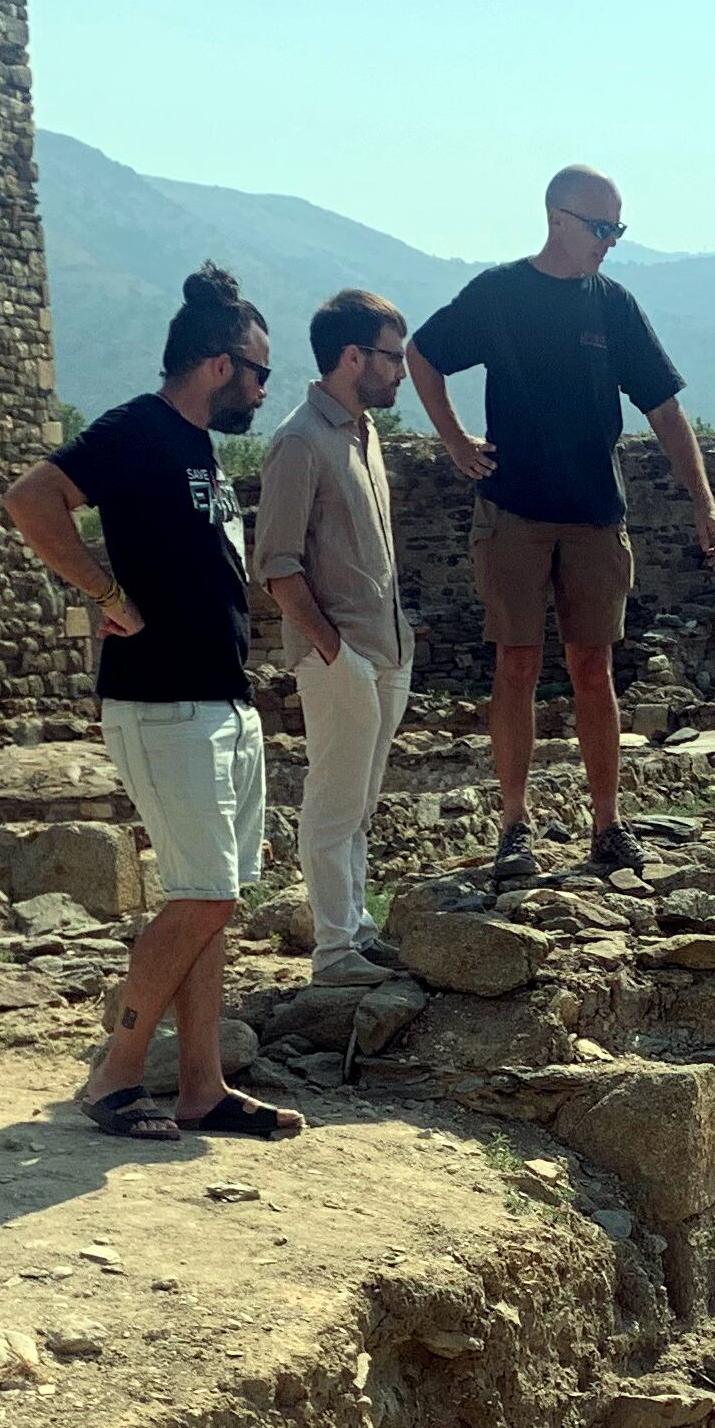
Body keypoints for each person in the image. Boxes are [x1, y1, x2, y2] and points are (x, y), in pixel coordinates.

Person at [0, 263, 304, 1144]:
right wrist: (102, 591)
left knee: (212, 895)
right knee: (204, 895)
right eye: (258, 372)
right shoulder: (137, 429)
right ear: (217, 365)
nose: (260, 389)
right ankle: (117, 1071)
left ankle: (201, 1087)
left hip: (219, 700)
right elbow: (31, 498)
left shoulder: (199, 444)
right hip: (164, 701)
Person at [407, 164, 715, 880]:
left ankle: (608, 824)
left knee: (594, 668)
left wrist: (704, 502)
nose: (611, 242)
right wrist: (455, 441)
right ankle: (515, 825)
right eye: (601, 228)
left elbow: (665, 411)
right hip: (514, 509)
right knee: (516, 664)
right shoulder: (498, 295)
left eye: (619, 229)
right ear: (557, 218)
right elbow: (422, 355)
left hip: (594, 514)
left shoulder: (615, 306)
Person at [254, 288, 414, 980]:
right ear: (353, 357)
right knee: (332, 799)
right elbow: (276, 567)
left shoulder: (363, 432)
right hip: (340, 654)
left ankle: (357, 927)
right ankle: (334, 949)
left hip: (386, 649)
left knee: (360, 800)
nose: (402, 371)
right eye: (392, 357)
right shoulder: (299, 440)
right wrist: (334, 652)